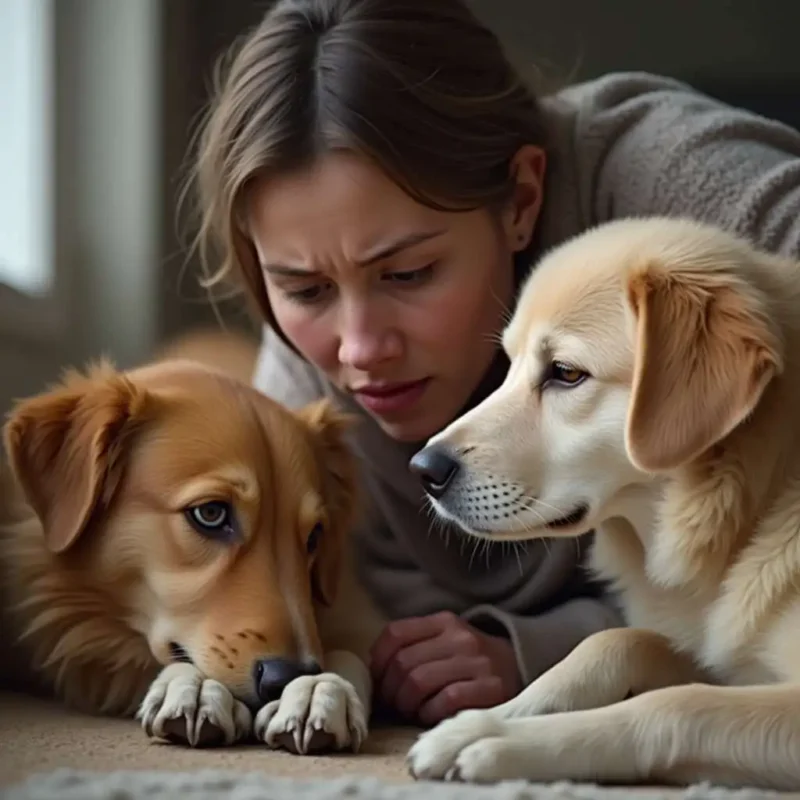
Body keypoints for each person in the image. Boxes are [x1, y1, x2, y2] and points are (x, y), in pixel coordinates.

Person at [189, 0, 800, 726]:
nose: (359, 349)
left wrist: (541, 650)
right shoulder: (301, 389)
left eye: (407, 272)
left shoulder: (675, 179)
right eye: (306, 289)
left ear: (521, 200)